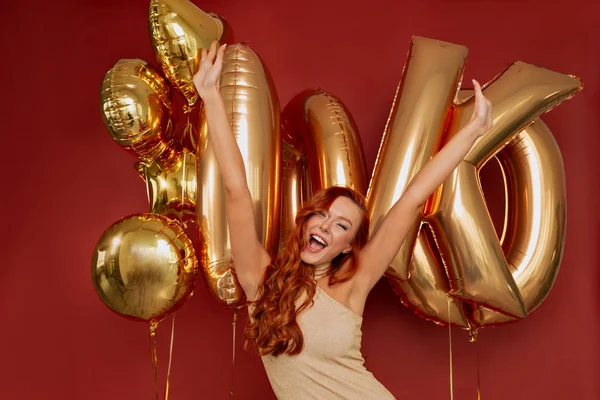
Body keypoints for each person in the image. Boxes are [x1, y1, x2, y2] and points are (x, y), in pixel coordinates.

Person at [193, 41, 493, 400]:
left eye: (341, 225)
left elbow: (413, 198)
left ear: (348, 245)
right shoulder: (261, 282)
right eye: (321, 214)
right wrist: (210, 94)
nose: (324, 226)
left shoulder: (353, 285)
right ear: (304, 223)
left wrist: (472, 131)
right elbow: (236, 189)